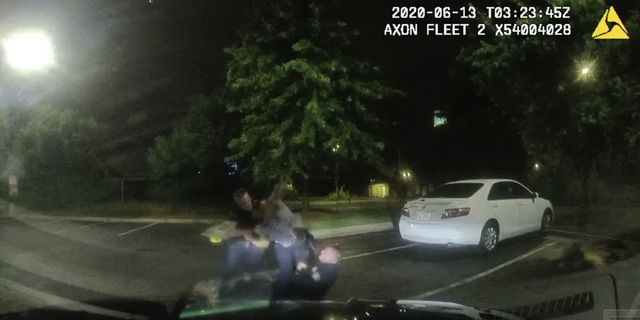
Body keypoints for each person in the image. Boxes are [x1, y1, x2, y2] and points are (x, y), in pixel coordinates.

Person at [253, 183, 298, 301]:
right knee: (285, 275)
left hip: (291, 243)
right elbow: (262, 239)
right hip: (283, 248)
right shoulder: (263, 226)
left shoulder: (278, 207)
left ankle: (285, 294)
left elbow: (278, 192)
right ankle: (276, 299)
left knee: (291, 272)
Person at [220, 188, 269, 290]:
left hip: (256, 236)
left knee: (255, 255)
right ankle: (225, 283)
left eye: (248, 201)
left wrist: (265, 213)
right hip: (240, 236)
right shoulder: (234, 212)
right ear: (237, 203)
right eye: (243, 203)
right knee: (232, 257)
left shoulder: (257, 204)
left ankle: (253, 280)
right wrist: (248, 232)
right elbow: (231, 232)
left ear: (250, 198)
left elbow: (269, 207)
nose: (247, 204)